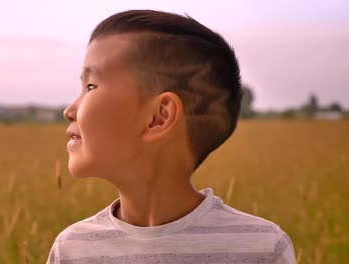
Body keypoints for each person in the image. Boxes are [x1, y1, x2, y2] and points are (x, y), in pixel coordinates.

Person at [48, 9, 296, 264]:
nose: (69, 111)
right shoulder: (72, 249)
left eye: (91, 86)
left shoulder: (263, 248)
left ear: (159, 117)